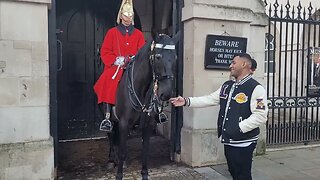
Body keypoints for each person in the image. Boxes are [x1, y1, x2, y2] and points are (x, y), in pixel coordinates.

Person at [170, 53, 268, 180]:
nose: (230, 66)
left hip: (243, 143)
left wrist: (238, 128)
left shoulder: (256, 88)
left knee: (242, 175)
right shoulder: (228, 86)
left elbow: (260, 116)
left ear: (244, 64)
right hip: (228, 141)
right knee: (234, 173)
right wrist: (186, 101)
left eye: (233, 63)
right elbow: (210, 99)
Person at [94, 0, 145, 131]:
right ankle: (107, 117)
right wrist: (119, 60)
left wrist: (133, 59)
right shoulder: (112, 32)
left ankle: (151, 112)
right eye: (126, 14)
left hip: (133, 67)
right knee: (107, 79)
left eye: (130, 14)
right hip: (116, 66)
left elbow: (142, 52)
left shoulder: (139, 34)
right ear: (121, 15)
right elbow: (105, 51)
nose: (128, 17)